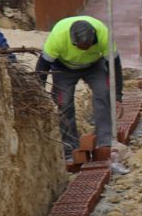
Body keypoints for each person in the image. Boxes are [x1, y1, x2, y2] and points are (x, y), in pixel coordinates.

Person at [38, 15, 119, 168]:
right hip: (64, 68)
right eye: (79, 46)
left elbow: (115, 66)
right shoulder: (58, 37)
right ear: (72, 39)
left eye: (86, 45)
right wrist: (39, 93)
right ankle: (70, 150)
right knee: (64, 103)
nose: (83, 49)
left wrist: (119, 96)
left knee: (103, 94)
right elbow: (42, 66)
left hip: (94, 66)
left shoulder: (103, 35)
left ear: (92, 38)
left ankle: (105, 144)